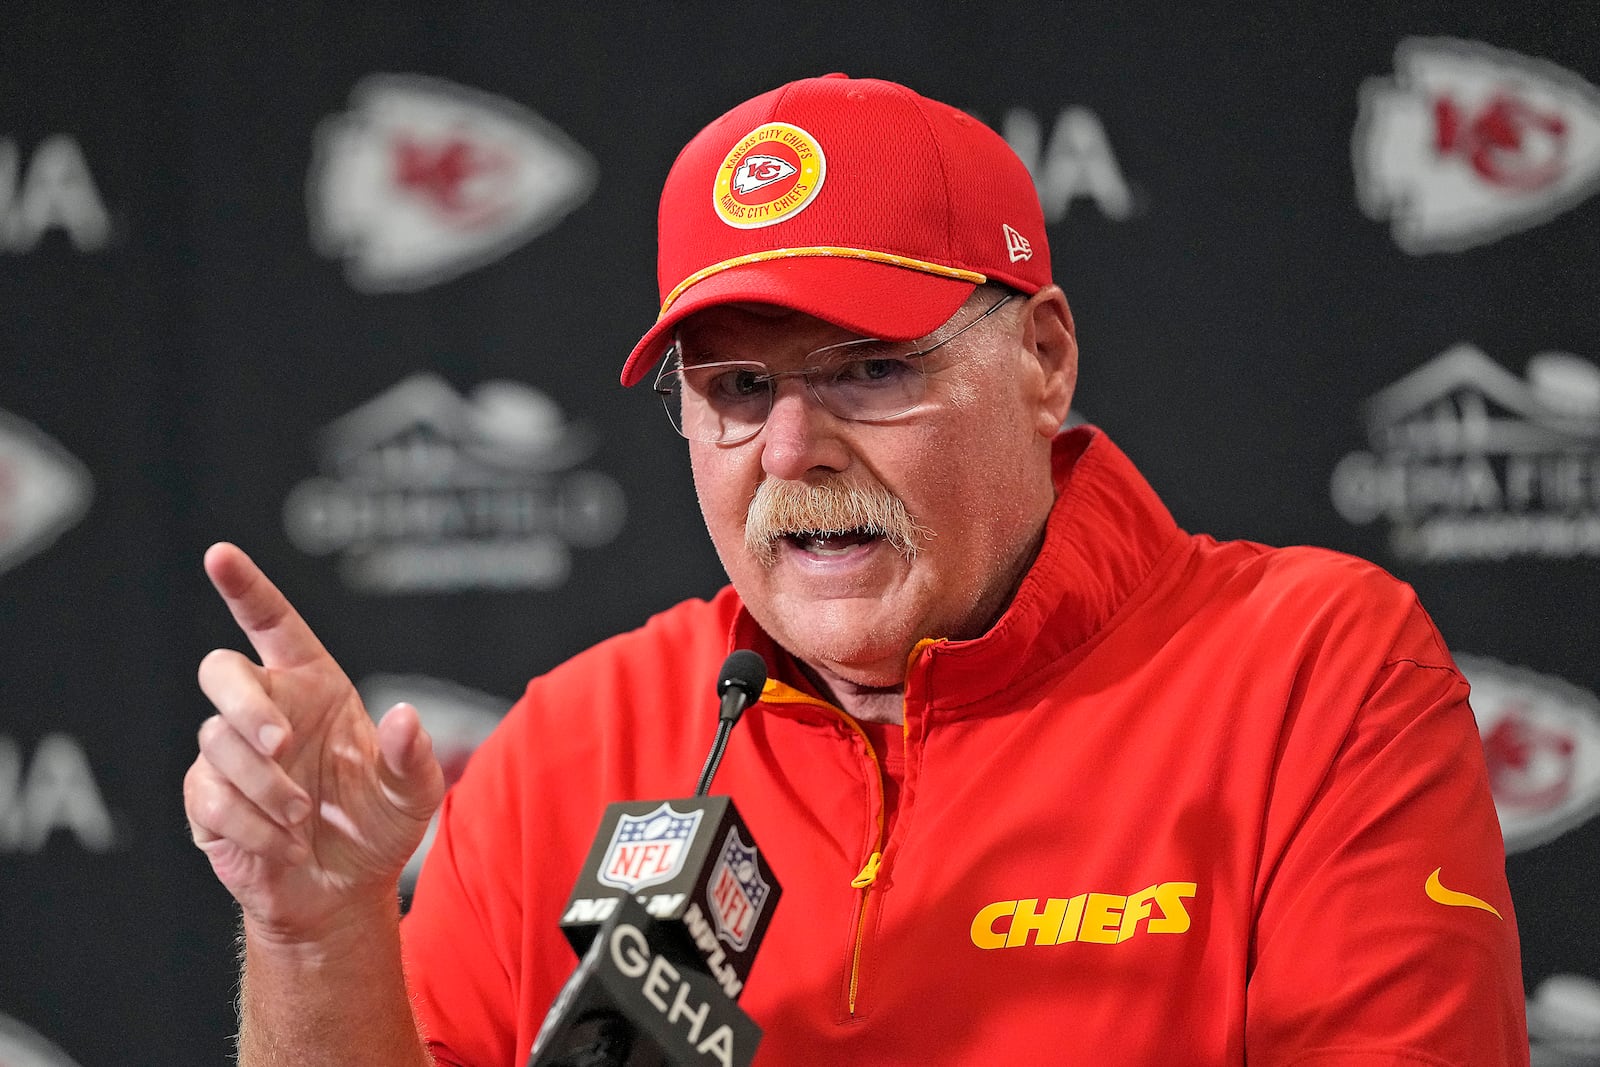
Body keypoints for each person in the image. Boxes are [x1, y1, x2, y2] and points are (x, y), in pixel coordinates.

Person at [183, 74, 1528, 1065]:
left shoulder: (1313, 667)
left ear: (1044, 361)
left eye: (870, 370)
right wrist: (317, 930)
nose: (789, 447)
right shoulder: (574, 741)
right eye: (738, 387)